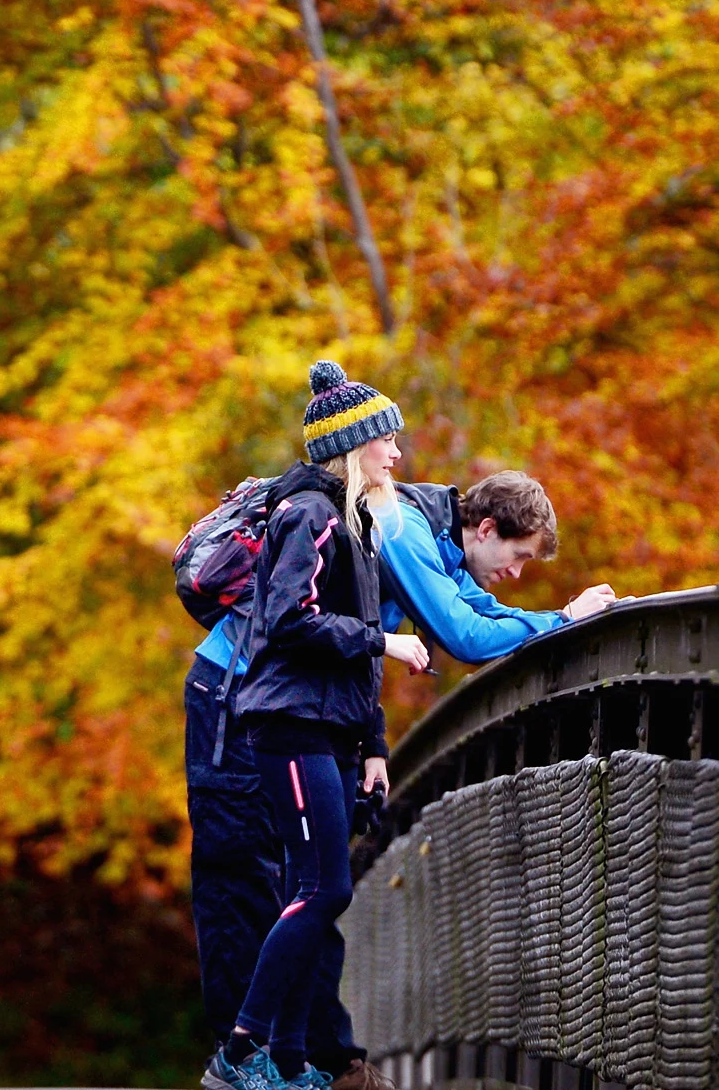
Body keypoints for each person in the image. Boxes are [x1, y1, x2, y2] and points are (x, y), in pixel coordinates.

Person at [202, 362, 433, 1090]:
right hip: (290, 726)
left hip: (329, 729)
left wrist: (372, 745)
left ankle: (293, 1063)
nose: (396, 454)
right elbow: (288, 620)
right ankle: (243, 1054)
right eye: (385, 442)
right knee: (323, 889)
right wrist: (383, 643)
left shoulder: (355, 520)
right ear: (352, 447)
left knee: (316, 886)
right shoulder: (310, 514)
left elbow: (351, 642)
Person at [379, 468, 615, 664]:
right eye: (518, 555)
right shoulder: (404, 530)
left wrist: (565, 618)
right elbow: (468, 638)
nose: (516, 572)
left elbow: (489, 610)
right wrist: (563, 619)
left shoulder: (445, 546)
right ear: (487, 530)